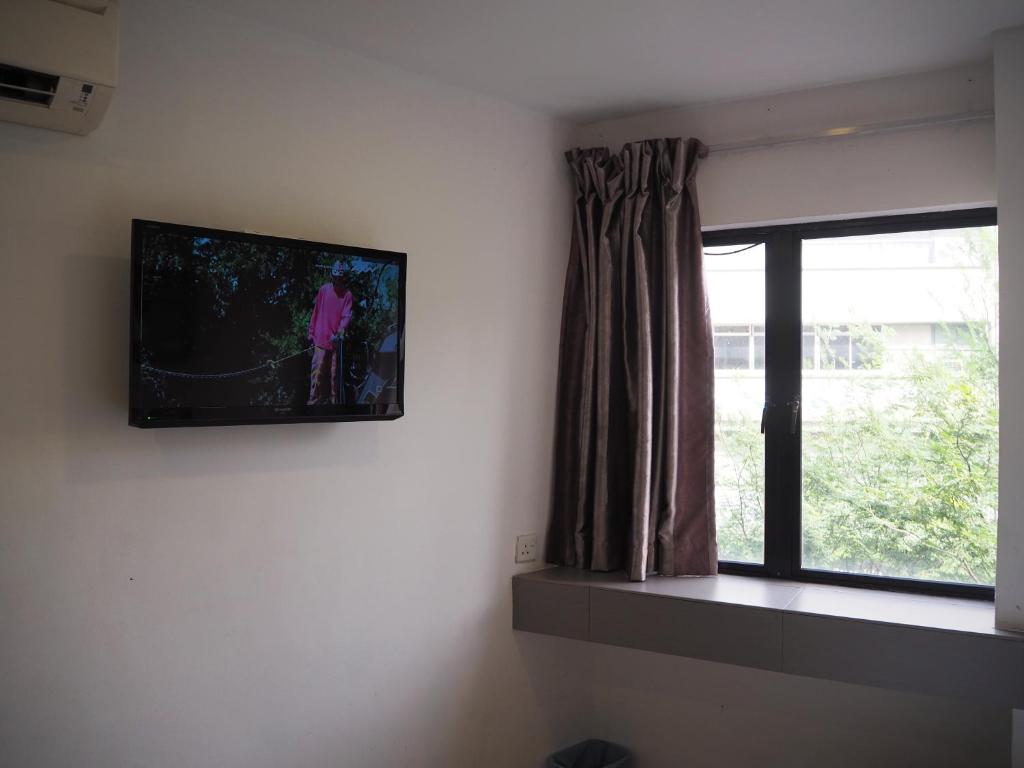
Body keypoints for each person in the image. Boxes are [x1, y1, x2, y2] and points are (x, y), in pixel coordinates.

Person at [307, 261, 354, 404]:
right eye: (335, 277)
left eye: (340, 278)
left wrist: (339, 333)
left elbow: (346, 317)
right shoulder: (324, 290)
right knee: (317, 376)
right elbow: (316, 312)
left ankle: (334, 406)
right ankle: (312, 405)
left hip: (335, 343)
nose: (337, 280)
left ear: (343, 278)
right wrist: (311, 333)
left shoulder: (347, 295)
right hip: (320, 340)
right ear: (332, 276)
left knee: (334, 378)